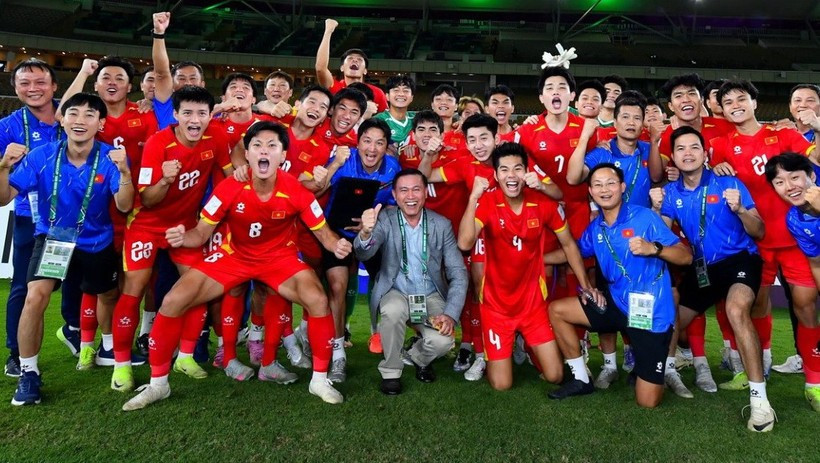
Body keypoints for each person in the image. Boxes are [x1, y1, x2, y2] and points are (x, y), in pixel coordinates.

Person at [122, 121, 350, 410]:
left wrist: (338, 245)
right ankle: (158, 384)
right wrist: (184, 236)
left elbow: (325, 235)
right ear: (248, 154)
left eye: (272, 146)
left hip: (279, 259)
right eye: (257, 145)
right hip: (234, 257)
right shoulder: (230, 186)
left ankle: (318, 380)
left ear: (283, 156)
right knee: (173, 300)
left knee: (317, 300)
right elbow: (201, 234)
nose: (264, 151)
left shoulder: (296, 190)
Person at [0, 93, 133, 405]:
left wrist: (126, 173)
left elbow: (124, 205)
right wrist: (3, 166)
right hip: (55, 238)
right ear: (63, 119)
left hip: (96, 240)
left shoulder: (111, 157)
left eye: (89, 115)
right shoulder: (41, 156)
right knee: (35, 296)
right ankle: (28, 372)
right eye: (73, 113)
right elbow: (3, 198)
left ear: (101, 123)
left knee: (107, 294)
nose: (80, 120)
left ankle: (107, 347)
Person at [109, 85, 235, 392]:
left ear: (210, 115)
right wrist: (166, 179)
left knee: (197, 287)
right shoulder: (157, 143)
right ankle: (122, 364)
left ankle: (186, 356)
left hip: (185, 227)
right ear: (175, 115)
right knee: (133, 291)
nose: (195, 120)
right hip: (146, 225)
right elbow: (148, 200)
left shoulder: (217, 136)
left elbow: (229, 179)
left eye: (202, 113)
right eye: (188, 113)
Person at [651, 127, 776, 430]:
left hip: (739, 260)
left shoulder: (728, 182)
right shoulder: (671, 195)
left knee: (736, 309)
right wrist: (656, 208)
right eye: (680, 149)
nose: (688, 153)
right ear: (674, 158)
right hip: (703, 266)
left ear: (705, 153)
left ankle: (760, 402)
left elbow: (759, 231)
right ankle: (668, 370)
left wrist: (741, 210)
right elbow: (662, 237)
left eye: (694, 147)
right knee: (670, 313)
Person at [548, 163, 692, 408]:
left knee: (647, 402)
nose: (605, 189)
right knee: (557, 310)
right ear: (591, 192)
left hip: (649, 312)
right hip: (616, 303)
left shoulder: (645, 217)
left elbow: (685, 256)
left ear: (622, 187)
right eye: (598, 185)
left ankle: (645, 367)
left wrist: (654, 249)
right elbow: (572, 253)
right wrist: (535, 259)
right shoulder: (596, 228)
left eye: (611, 183)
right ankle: (581, 380)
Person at [710, 79, 819, 388]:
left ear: (754, 103)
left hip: (795, 238)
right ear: (723, 109)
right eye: (727, 101)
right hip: (753, 242)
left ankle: (815, 382)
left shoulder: (784, 134)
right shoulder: (720, 145)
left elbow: (817, 160)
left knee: (805, 306)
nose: (735, 105)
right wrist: (715, 167)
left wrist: (819, 127)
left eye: (741, 98)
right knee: (756, 304)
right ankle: (763, 362)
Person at [457, 143, 589, 391]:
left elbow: (570, 246)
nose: (511, 176)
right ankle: (495, 354)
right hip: (496, 308)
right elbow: (465, 242)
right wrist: (473, 198)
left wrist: (587, 286)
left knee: (555, 376)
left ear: (527, 172)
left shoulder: (542, 203)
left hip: (533, 306)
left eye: (517, 169)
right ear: (495, 176)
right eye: (504, 170)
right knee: (501, 384)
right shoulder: (486, 202)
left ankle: (519, 346)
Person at [58, 56, 160, 368]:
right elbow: (64, 114)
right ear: (97, 83)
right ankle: (90, 344)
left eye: (119, 77)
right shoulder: (87, 117)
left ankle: (128, 338)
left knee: (133, 278)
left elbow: (153, 155)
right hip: (95, 210)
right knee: (97, 279)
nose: (112, 82)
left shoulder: (144, 115)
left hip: (134, 208)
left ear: (130, 86)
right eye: (106, 77)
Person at [0, 58, 84, 376]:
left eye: (40, 82)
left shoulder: (74, 111)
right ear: (15, 89)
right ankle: (16, 352)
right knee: (26, 286)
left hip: (76, 215)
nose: (33, 89)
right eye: (25, 83)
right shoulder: (7, 127)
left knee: (78, 278)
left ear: (53, 86)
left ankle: (75, 330)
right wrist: (5, 163)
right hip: (31, 219)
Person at [354, 169, 467, 394]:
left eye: (416, 189)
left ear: (425, 193)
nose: (410, 196)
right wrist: (365, 233)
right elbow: (364, 254)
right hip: (396, 290)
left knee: (443, 342)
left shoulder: (441, 224)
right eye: (403, 190)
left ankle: (418, 357)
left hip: (430, 293)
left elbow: (458, 272)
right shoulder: (385, 218)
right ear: (395, 195)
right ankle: (391, 372)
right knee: (392, 310)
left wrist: (451, 314)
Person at [307, 118, 401, 383]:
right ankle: (338, 354)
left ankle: (389, 343)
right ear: (357, 142)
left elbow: (397, 205)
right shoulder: (344, 160)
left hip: (372, 235)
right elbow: (318, 189)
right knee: (337, 286)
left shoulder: (393, 168)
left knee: (390, 284)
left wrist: (372, 222)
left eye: (379, 143)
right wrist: (334, 163)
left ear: (387, 147)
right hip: (336, 233)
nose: (372, 148)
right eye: (367, 141)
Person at [765, 153, 820, 413]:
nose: (790, 187)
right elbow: (817, 263)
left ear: (811, 176)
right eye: (780, 182)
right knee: (803, 302)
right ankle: (815, 384)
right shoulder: (795, 220)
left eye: (795, 177)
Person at [315, 19, 388, 112]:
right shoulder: (334, 86)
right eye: (350, 58)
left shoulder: (377, 92)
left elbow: (385, 120)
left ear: (365, 70)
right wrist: (328, 31)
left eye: (359, 59)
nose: (354, 60)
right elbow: (320, 68)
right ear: (342, 68)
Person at [374, 75, 416, 148]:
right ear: (387, 96)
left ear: (412, 97)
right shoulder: (378, 120)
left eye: (406, 91)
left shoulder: (417, 119)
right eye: (396, 90)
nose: (401, 94)